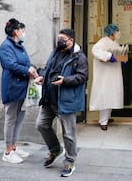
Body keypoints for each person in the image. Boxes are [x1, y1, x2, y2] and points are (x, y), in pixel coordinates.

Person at [35, 28, 88, 177]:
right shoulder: (55, 52)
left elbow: (82, 76)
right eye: (59, 39)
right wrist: (42, 77)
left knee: (68, 133)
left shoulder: (79, 57)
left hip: (65, 100)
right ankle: (55, 149)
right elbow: (48, 69)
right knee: (41, 124)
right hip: (49, 98)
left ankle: (70, 161)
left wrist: (66, 81)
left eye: (62, 40)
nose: (59, 42)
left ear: (71, 41)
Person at [0, 18, 38, 164]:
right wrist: (27, 71)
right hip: (12, 87)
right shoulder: (6, 46)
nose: (24, 33)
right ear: (16, 31)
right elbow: (11, 65)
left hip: (22, 87)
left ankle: (14, 147)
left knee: (19, 117)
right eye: (22, 30)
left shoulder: (19, 45)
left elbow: (26, 63)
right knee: (11, 119)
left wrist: (33, 70)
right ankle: (7, 151)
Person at [89, 23, 124, 130]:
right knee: (105, 96)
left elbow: (118, 54)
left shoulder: (115, 42)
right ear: (112, 33)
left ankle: (107, 118)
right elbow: (95, 50)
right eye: (117, 31)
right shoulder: (103, 42)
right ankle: (103, 121)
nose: (118, 33)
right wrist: (109, 56)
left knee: (112, 95)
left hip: (113, 73)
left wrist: (122, 58)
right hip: (105, 75)